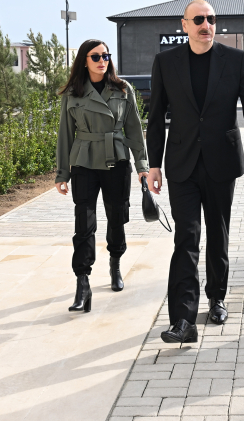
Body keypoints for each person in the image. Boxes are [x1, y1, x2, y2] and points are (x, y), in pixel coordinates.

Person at [147, 0, 244, 343]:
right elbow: (156, 117)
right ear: (184, 24)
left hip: (221, 162)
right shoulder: (166, 63)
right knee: (186, 237)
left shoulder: (235, 59)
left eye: (211, 19)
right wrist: (152, 165)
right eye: (198, 19)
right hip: (182, 164)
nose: (206, 24)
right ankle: (183, 320)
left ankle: (216, 296)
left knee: (217, 233)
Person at [55, 39, 149, 314]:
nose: (101, 60)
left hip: (116, 159)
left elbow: (133, 129)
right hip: (84, 161)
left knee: (117, 216)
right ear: (84, 60)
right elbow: (64, 135)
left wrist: (142, 165)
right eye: (95, 56)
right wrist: (62, 173)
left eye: (105, 56)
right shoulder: (73, 93)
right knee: (84, 223)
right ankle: (82, 283)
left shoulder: (122, 89)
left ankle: (115, 263)